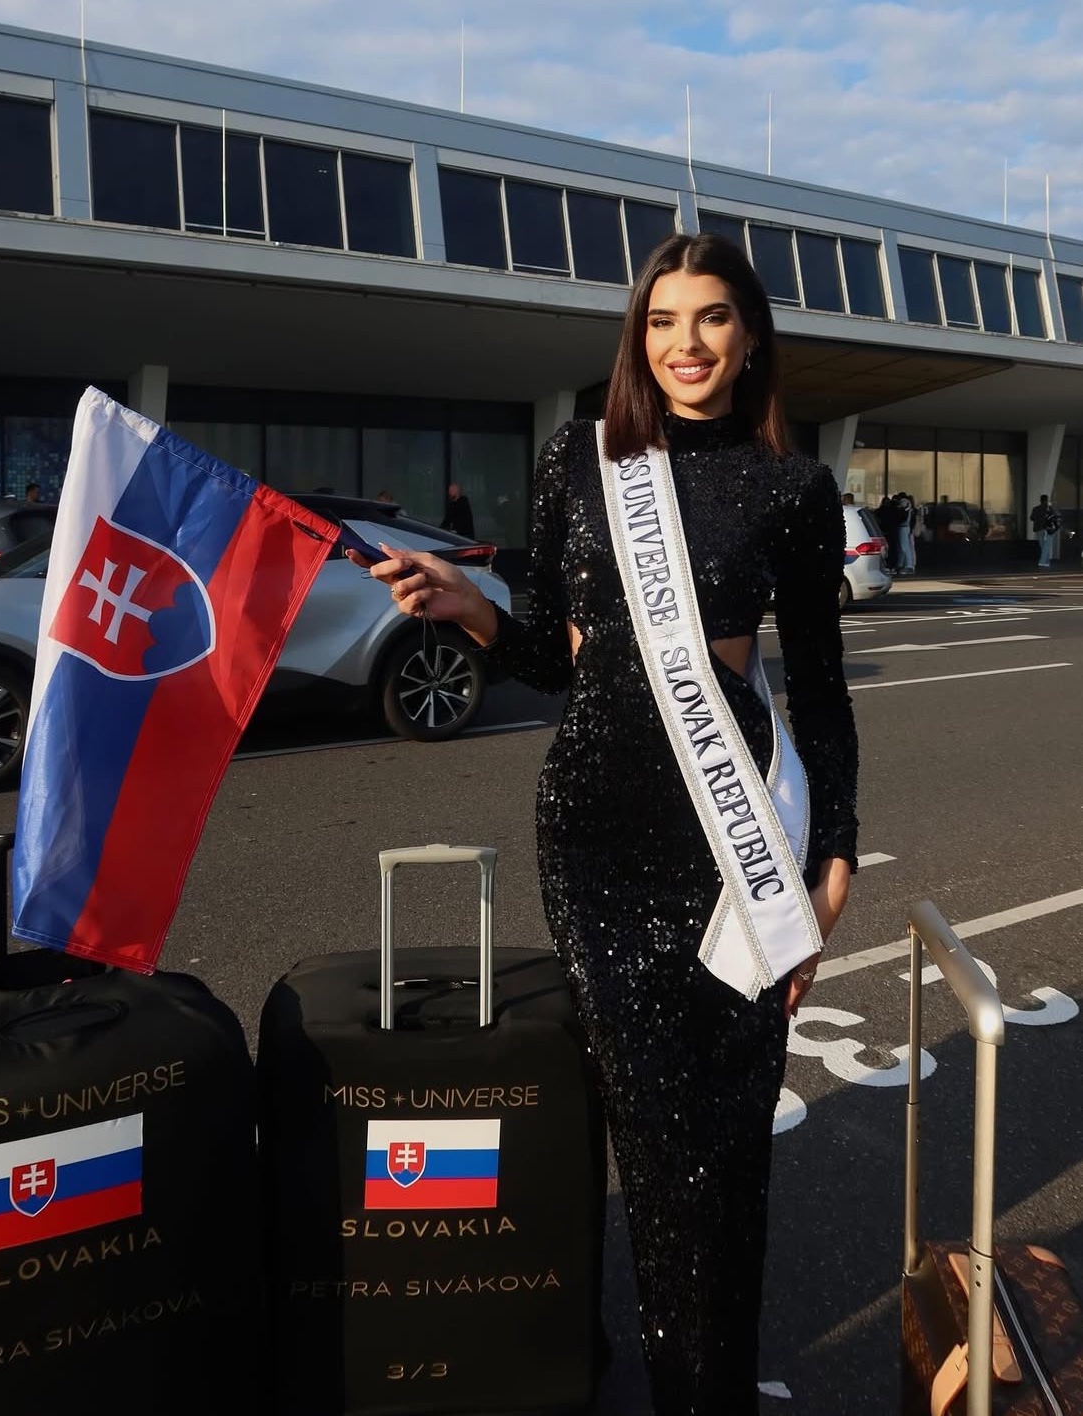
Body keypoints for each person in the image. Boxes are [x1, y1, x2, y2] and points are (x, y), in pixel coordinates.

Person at [349, 233, 857, 1415]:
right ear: (638, 338)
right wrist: (472, 608)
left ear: (751, 338)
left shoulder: (792, 488)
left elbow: (824, 691)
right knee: (659, 1144)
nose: (687, 344)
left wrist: (833, 859)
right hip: (599, 838)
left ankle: (710, 1383)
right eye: (663, 321)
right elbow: (551, 655)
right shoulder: (581, 459)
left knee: (728, 1143)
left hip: (731, 834)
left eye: (713, 318)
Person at [891, 490, 917, 575]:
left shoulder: (904, 503)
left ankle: (909, 566)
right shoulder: (909, 505)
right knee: (903, 547)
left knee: (904, 547)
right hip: (906, 527)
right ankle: (901, 564)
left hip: (904, 526)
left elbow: (902, 515)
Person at [1031, 494, 1060, 568]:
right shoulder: (1049, 509)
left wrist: (1038, 519)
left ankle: (1046, 561)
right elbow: (1054, 517)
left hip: (1038, 529)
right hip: (1048, 529)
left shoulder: (1035, 509)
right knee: (1047, 545)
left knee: (1042, 546)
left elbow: (1032, 518)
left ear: (1040, 500)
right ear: (1046, 500)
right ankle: (1043, 561)